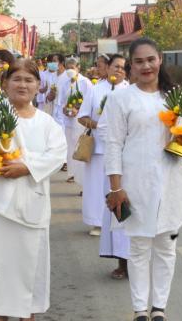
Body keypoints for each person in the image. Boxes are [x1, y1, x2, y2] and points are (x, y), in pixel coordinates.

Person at [0, 59, 67, 321]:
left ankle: (27, 314)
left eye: (29, 80)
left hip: (30, 206)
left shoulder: (47, 123)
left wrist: (26, 168)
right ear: (4, 83)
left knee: (26, 267)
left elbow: (58, 155)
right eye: (16, 79)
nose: (23, 85)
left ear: (38, 86)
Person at [104, 38, 182, 321]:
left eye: (150, 60)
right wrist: (116, 187)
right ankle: (140, 309)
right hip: (135, 181)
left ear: (160, 59)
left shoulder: (176, 97)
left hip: (172, 179)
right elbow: (113, 144)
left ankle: (159, 308)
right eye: (139, 61)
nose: (146, 66)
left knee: (167, 245)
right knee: (140, 246)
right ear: (131, 65)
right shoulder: (121, 98)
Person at [77, 54, 129, 237]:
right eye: (116, 66)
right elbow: (82, 117)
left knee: (119, 186)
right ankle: (97, 222)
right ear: (108, 68)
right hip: (99, 147)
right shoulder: (95, 89)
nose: (119, 70)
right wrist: (98, 125)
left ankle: (120, 220)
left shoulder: (131, 91)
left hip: (123, 149)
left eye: (123, 67)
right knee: (97, 186)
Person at [59, 58, 93, 184]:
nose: (69, 70)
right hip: (68, 120)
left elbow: (89, 102)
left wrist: (78, 110)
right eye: (67, 68)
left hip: (81, 121)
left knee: (80, 149)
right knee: (70, 148)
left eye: (72, 67)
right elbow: (62, 101)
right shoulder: (65, 83)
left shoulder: (86, 83)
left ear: (78, 67)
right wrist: (65, 109)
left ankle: (82, 177)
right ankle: (71, 173)